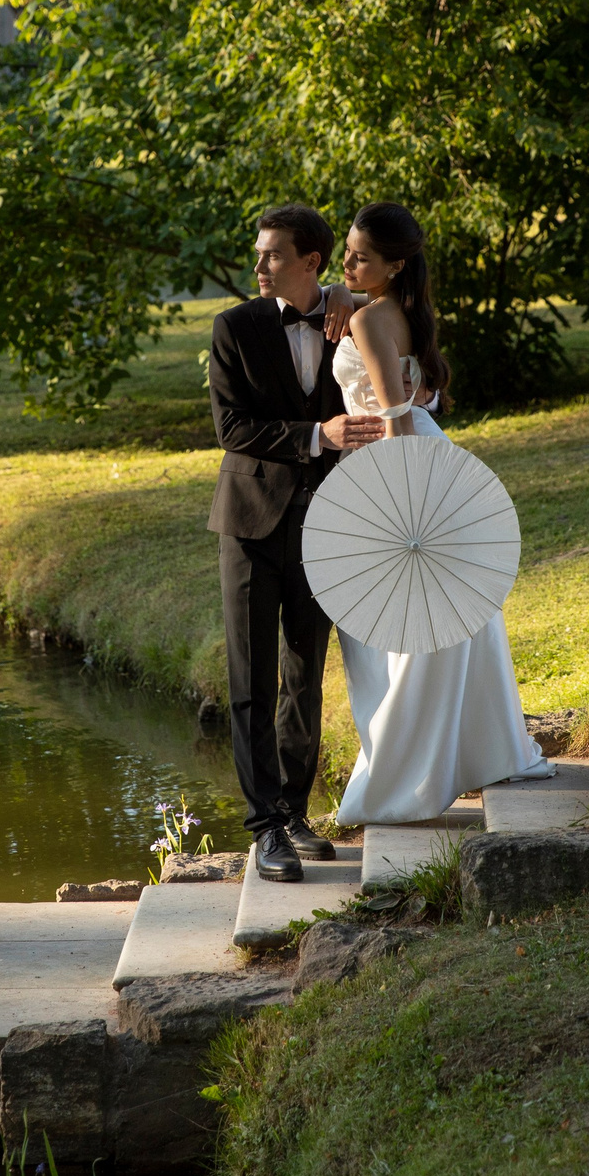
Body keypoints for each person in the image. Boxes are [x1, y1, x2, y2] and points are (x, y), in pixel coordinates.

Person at [327, 201, 552, 824]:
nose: (348, 262)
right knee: (446, 620)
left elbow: (396, 415)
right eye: (346, 250)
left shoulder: (370, 321)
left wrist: (405, 508)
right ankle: (470, 753)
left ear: (394, 265)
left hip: (399, 467)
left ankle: (403, 778)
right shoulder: (405, 310)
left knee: (399, 631)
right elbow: (419, 398)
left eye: (361, 257)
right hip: (430, 454)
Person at [206, 205, 383, 883]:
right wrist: (319, 436)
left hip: (325, 527)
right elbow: (233, 429)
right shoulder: (235, 327)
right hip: (250, 525)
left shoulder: (348, 317)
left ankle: (296, 810)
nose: (258, 266)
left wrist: (347, 297)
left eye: (274, 254)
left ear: (312, 261)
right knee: (252, 681)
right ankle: (264, 829)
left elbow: (405, 320)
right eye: (259, 252)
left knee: (305, 676)